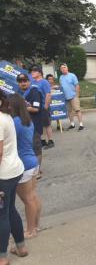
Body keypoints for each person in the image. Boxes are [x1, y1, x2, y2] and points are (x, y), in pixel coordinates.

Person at [8, 94, 42, 239]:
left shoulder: (14, 122)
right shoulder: (27, 120)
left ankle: (30, 230)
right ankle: (35, 226)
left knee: (27, 199)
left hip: (23, 165)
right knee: (32, 196)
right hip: (32, 162)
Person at [0, 90, 27, 265]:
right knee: (10, 210)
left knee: (2, 214)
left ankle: (2, 257)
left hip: (4, 174)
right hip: (14, 170)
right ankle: (21, 247)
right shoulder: (6, 116)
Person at [16, 73, 43, 177]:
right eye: (20, 81)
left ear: (29, 81)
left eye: (25, 81)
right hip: (22, 126)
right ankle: (29, 168)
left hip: (34, 124)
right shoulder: (17, 93)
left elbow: (36, 109)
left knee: (36, 148)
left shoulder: (34, 91)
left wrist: (21, 108)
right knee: (25, 148)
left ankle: (38, 171)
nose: (23, 83)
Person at [30, 66, 54, 149]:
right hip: (35, 107)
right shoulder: (32, 82)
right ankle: (42, 141)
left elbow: (48, 94)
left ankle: (51, 141)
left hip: (43, 106)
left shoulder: (44, 82)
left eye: (34, 71)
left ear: (39, 73)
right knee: (38, 125)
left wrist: (46, 106)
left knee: (46, 124)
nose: (32, 73)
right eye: (31, 71)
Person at [59, 63, 84, 130]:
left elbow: (77, 85)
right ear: (60, 69)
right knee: (69, 111)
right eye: (61, 68)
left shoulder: (72, 75)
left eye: (64, 67)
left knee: (77, 110)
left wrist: (77, 95)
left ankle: (81, 124)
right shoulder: (61, 77)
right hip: (66, 97)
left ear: (67, 68)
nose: (63, 69)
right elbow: (61, 87)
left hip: (73, 96)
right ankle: (72, 124)